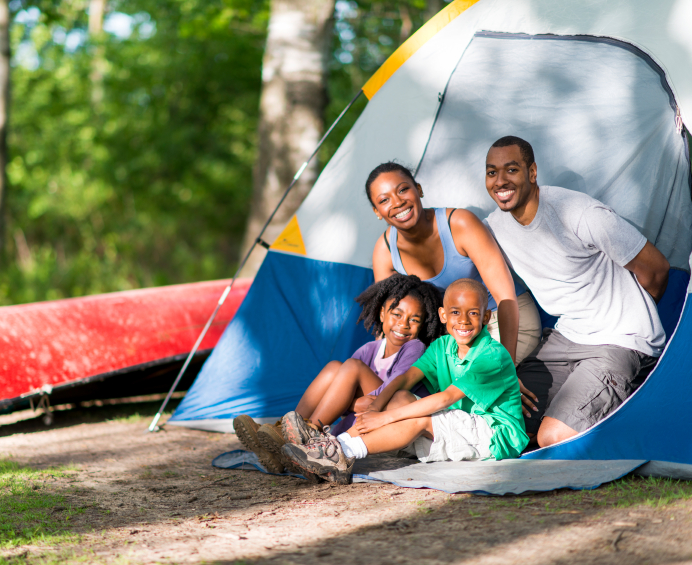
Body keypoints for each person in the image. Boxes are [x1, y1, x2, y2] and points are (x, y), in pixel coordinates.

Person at [484, 135, 670, 448]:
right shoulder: (494, 227)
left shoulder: (578, 212)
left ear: (532, 172)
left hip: (619, 339)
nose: (501, 180)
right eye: (491, 172)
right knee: (503, 421)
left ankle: (635, 396)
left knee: (553, 438)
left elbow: (657, 269)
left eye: (511, 170)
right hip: (566, 338)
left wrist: (632, 315)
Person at [281, 279, 528, 484]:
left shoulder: (491, 355)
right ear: (443, 315)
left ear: (486, 318)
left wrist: (384, 417)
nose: (463, 320)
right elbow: (405, 378)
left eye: (473, 313)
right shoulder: (442, 346)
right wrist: (375, 409)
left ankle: (341, 453)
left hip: (495, 433)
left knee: (418, 419)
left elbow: (446, 398)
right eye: (455, 312)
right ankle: (328, 451)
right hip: (460, 421)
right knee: (399, 397)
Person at [233, 274, 444, 475]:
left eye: (414, 320)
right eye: (397, 314)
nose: (403, 324)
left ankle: (308, 432)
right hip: (366, 416)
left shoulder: (414, 347)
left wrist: (350, 404)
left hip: (394, 418)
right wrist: (347, 416)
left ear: (423, 324)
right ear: (382, 314)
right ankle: (286, 434)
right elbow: (342, 397)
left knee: (351, 366)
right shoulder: (369, 349)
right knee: (335, 367)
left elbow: (394, 388)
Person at [368, 162, 541, 368]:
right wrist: (380, 368)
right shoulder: (385, 249)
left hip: (504, 321)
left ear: (419, 189)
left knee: (474, 389)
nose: (397, 202)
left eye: (403, 190)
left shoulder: (459, 224)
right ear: (377, 211)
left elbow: (506, 296)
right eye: (384, 200)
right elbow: (389, 321)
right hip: (458, 334)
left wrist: (507, 367)